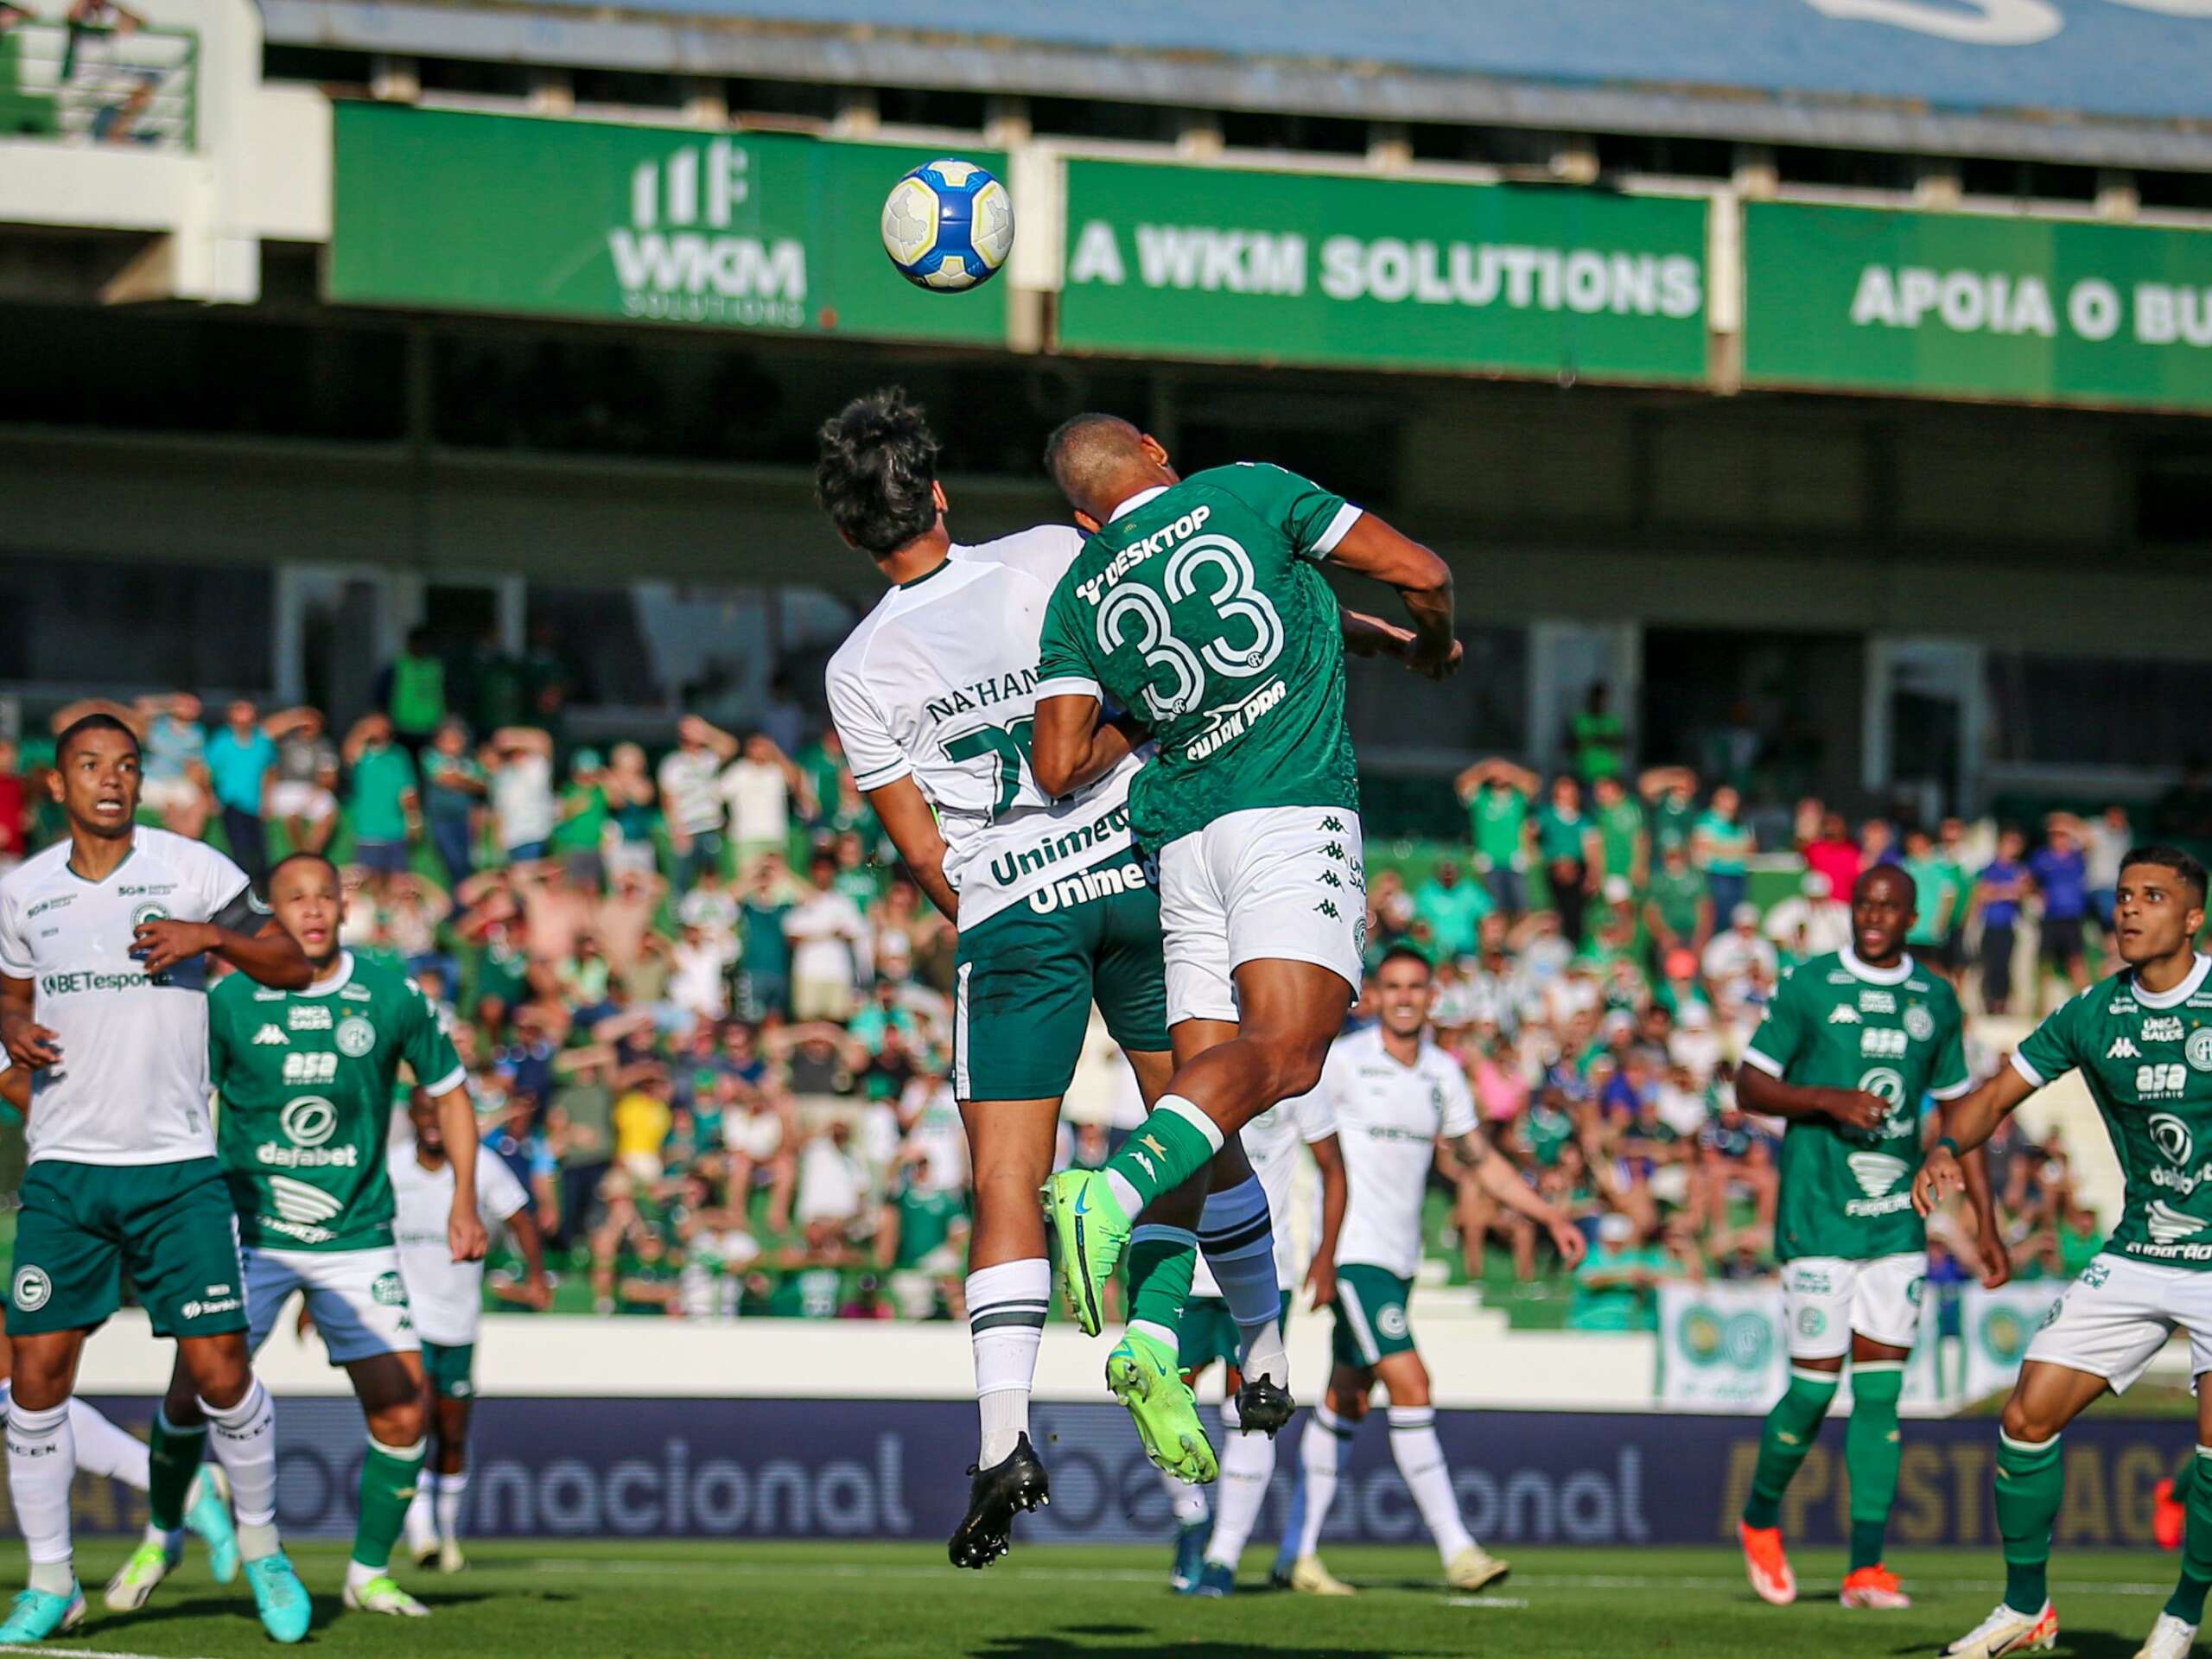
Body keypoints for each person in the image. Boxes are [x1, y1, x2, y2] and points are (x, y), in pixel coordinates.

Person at [815, 391, 1235, 1567]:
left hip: (1010, 915)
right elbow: (1147, 684)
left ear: (851, 537)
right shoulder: (1052, 555)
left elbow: (917, 850)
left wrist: (1009, 894)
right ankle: (1152, 1331)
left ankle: (1004, 1437)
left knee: (1008, 1177)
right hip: (1140, 874)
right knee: (1191, 1121)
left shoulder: (858, 669)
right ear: (940, 494)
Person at [1027, 413, 1458, 1473]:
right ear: (1151, 450)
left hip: (1183, 843)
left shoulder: (1081, 593)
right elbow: (1422, 567)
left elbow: (1060, 761)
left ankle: (1156, 1335)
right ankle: (1112, 1192)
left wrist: (1167, 711)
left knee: (1211, 1102)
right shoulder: (1248, 489)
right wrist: (1435, 638)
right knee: (1293, 1053)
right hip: (1286, 810)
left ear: (1085, 513)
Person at [0, 713, 315, 1643]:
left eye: (127, 766)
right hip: (63, 1172)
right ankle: (52, 1582)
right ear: (56, 787)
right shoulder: (24, 893)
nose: (110, 779)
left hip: (176, 1167)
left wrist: (207, 940)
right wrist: (11, 1037)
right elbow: (13, 1001)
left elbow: (292, 963)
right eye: (90, 766)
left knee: (222, 1372)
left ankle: (263, 1552)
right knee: (36, 1380)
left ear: (141, 784)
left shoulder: (194, 870)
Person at [128, 850, 488, 1622]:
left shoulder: (389, 994)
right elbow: (180, 1110)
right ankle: (163, 1533)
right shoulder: (229, 1004)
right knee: (191, 1394)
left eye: (326, 896)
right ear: (270, 913)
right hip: (248, 1233)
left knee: (403, 1407)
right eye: (295, 899)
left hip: (357, 1236)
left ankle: (367, 1573)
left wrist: (464, 1199)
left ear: (345, 907)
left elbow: (452, 1095)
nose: (314, 910)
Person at [1917, 846, 2212, 1659]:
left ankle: (2181, 1618)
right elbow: (1996, 1097)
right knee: (2025, 1416)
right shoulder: (2091, 1013)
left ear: (2193, 919)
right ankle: (2024, 1608)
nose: (2129, 909)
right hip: (2142, 1249)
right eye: (2122, 895)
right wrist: (1948, 1148)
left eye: (2153, 897)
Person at [1733, 864, 2005, 1614]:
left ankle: (1865, 1569)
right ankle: (1759, 1518)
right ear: (1852, 911)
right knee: (1816, 1387)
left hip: (1896, 1222)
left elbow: (1964, 1121)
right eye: (1865, 904)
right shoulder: (1810, 985)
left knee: (1882, 1395)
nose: (1875, 916)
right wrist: (1824, 1098)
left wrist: (1988, 1226)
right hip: (1818, 1215)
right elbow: (1748, 1084)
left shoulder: (1936, 999)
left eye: (1889, 907)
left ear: (1912, 915)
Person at [1281, 948, 1585, 1597]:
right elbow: (1296, 1134)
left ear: (1432, 997)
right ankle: (1459, 1550)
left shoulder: (1444, 1073)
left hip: (1401, 1259)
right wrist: (1316, 1248)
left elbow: (1483, 1163)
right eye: (1392, 986)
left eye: (1416, 986)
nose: (1405, 997)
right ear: (1374, 996)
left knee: (1346, 1399)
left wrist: (1548, 1215)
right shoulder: (1344, 1063)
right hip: (1357, 1257)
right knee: (1413, 1386)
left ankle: (1295, 1555)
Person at [1166, 1084, 1345, 1598]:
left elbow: (1333, 1165)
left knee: (1251, 1409)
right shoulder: (1187, 1057)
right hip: (1186, 1266)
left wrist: (1325, 1253)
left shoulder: (1294, 1068)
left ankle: (1223, 1557)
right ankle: (1191, 1516)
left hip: (1265, 1269)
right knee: (1158, 1398)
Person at [396, 1088, 550, 1574]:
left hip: (459, 1319)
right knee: (414, 1420)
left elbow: (520, 1218)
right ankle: (420, 1532)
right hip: (406, 1316)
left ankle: (448, 1532)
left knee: (452, 1430)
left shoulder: (480, 1165)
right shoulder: (393, 1167)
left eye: (441, 1112)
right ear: (413, 1117)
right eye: (425, 1112)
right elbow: (358, 1223)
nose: (434, 1122)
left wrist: (537, 1276)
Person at [204, 700, 279, 889]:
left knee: (261, 852)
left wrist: (267, 800)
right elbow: (205, 770)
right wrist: (210, 795)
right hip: (231, 802)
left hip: (255, 804)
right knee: (241, 851)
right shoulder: (221, 741)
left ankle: (263, 891)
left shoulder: (262, 742)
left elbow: (269, 772)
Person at [341, 714, 420, 889]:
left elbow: (408, 791)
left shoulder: (399, 755)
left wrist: (413, 818)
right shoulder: (363, 754)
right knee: (369, 882)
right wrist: (362, 730)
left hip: (396, 830)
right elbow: (349, 754)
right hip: (368, 830)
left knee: (399, 882)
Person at [1454, 758, 1537, 918]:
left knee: (1522, 910)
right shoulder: (1482, 799)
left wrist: (1509, 770)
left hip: (1515, 861)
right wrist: (1486, 769)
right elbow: (1461, 783)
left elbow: (1534, 783)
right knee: (1494, 910)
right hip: (1489, 861)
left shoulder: (1517, 799)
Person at [2028, 817, 2092, 1001]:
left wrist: (2069, 824)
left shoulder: (2076, 856)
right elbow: (2029, 881)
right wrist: (2037, 896)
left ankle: (2085, 1004)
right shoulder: (2042, 857)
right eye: (2055, 835)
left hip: (2072, 916)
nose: (2059, 839)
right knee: (2045, 963)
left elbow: (2089, 841)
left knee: (2076, 962)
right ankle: (2042, 1006)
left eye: (2062, 835)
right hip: (2051, 916)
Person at [1972, 830, 2032, 1016]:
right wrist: (2008, 891)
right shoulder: (1989, 868)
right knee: (1989, 965)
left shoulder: (2019, 870)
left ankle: (2002, 1003)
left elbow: (2024, 891)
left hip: (2009, 925)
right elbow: (1981, 893)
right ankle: (1988, 1002)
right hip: (1989, 924)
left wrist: (1997, 892)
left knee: (2006, 967)